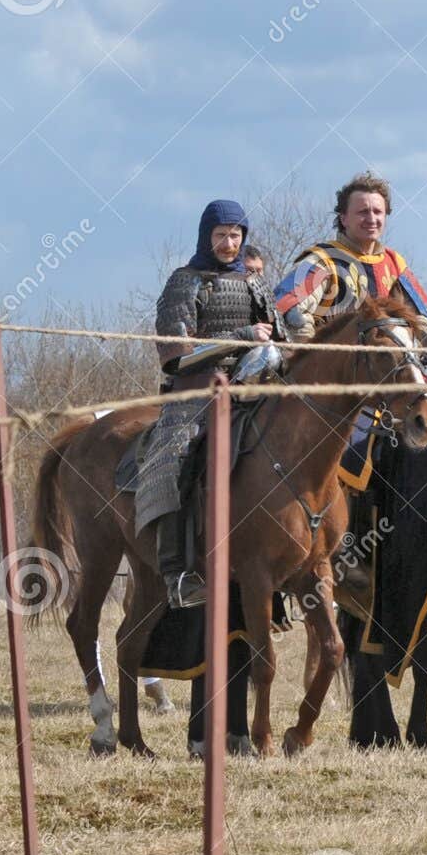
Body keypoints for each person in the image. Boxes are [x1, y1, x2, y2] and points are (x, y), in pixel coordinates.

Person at [137, 200, 280, 607]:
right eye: (221, 235)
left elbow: (281, 339)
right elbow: (176, 355)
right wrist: (242, 335)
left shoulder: (254, 283)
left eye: (235, 235)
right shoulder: (186, 281)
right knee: (175, 460)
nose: (229, 243)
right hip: (197, 393)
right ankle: (177, 572)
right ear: (206, 236)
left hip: (254, 388)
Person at [274, 171, 427, 343]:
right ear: (343, 219)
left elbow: (426, 320)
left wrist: (411, 345)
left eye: (377, 212)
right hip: (336, 368)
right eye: (363, 212)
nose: (372, 219)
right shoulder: (321, 260)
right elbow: (290, 312)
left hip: (391, 366)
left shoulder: (395, 263)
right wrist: (313, 354)